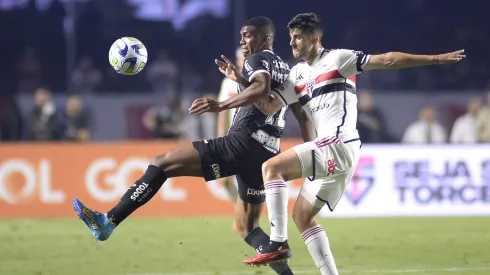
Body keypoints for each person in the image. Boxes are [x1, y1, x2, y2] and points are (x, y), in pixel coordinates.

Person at [193, 12, 465, 274]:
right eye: (290, 37)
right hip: (333, 151)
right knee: (302, 216)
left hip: (339, 142)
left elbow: (389, 60)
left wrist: (436, 58)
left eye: (297, 37)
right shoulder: (296, 75)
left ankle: (277, 241)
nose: (291, 43)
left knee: (272, 168)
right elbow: (267, 104)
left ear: (314, 39)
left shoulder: (338, 59)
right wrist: (240, 80)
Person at [73, 16, 311, 275]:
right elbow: (278, 100)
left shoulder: (257, 60)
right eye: (242, 35)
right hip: (266, 152)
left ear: (265, 38)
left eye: (248, 35)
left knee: (161, 163)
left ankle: (108, 222)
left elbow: (261, 88)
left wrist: (220, 105)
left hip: (241, 144)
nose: (243, 41)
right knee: (247, 226)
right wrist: (241, 80)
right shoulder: (285, 68)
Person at [216, 47, 244, 229]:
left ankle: (244, 218)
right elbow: (222, 112)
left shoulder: (258, 81)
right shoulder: (228, 83)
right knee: (225, 180)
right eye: (240, 58)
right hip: (231, 138)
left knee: (246, 180)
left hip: (250, 137)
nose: (241, 61)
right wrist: (220, 139)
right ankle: (241, 213)